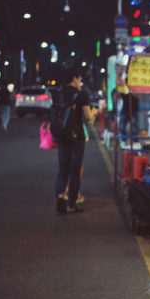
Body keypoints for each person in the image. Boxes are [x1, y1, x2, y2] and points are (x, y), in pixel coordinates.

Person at [54, 68, 97, 214]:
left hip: (61, 135)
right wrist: (94, 112)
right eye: (79, 79)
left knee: (62, 169)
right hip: (76, 136)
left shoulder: (58, 94)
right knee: (75, 170)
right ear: (74, 79)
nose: (80, 82)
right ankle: (71, 204)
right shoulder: (81, 95)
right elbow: (87, 117)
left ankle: (60, 195)